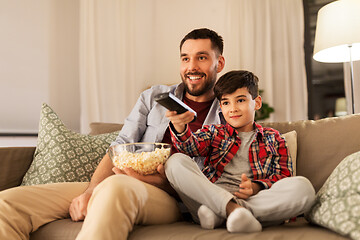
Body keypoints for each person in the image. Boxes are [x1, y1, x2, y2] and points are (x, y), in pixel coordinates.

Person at [0, 28, 226, 240]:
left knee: (115, 187)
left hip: (172, 200)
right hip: (123, 178)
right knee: (8, 204)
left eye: (202, 57)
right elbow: (120, 145)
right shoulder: (153, 97)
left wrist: (153, 181)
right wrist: (90, 191)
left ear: (220, 62)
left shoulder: (229, 113)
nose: (192, 66)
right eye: (185, 58)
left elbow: (212, 183)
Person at [164, 70, 316, 233]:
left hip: (254, 199)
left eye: (240, 100)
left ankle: (224, 214)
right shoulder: (214, 132)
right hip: (209, 197)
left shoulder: (273, 138)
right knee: (175, 161)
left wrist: (257, 186)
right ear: (221, 107)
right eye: (226, 103)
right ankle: (232, 210)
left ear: (257, 103)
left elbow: (283, 175)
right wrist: (180, 127)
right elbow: (190, 147)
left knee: (304, 188)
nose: (233, 109)